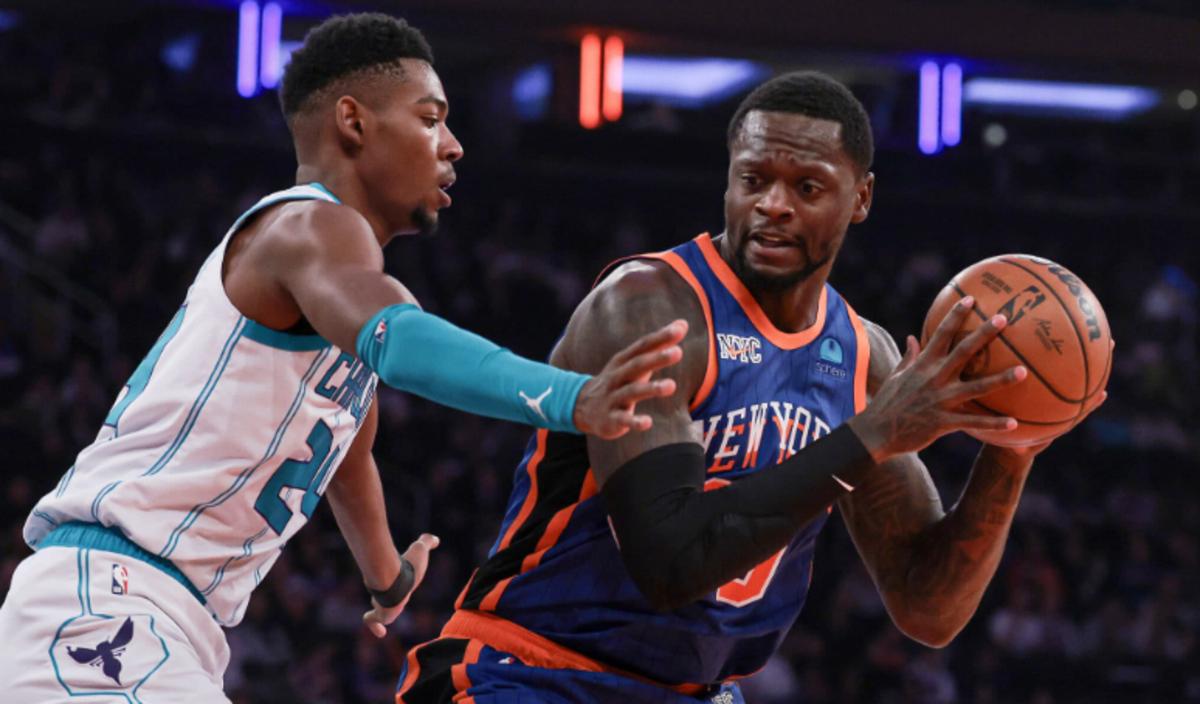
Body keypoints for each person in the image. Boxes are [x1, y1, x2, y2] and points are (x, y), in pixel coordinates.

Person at [0, 13, 686, 703]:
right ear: (353, 122)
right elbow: (404, 342)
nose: (454, 146)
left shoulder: (329, 308)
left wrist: (388, 578)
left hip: (165, 619)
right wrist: (572, 397)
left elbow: (346, 461)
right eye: (430, 119)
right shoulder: (309, 226)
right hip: (109, 601)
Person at [396, 71, 1108, 703]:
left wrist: (1012, 455)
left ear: (860, 199)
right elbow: (669, 565)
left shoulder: (862, 358)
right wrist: (869, 437)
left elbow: (928, 609)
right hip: (530, 673)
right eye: (753, 179)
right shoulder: (651, 309)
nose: (773, 205)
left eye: (807, 187)